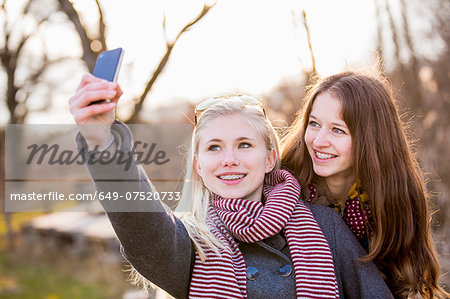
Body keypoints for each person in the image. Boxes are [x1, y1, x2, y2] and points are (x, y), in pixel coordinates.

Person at [69, 74, 393, 298]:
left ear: (269, 159)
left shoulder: (325, 225)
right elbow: (140, 225)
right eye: (214, 147)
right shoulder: (192, 242)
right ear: (198, 167)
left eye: (243, 145)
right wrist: (103, 144)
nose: (229, 159)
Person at [281, 71, 446, 298]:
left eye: (337, 130)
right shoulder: (284, 187)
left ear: (371, 137)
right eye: (314, 124)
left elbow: (406, 282)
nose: (318, 141)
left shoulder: (394, 194)